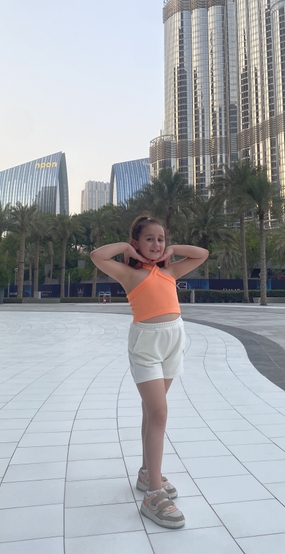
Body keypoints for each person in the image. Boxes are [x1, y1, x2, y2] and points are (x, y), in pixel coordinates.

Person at [91, 216, 208, 529]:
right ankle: (154, 494)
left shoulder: (169, 271)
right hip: (146, 346)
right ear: (137, 243)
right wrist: (127, 248)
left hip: (173, 342)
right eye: (149, 239)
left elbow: (201, 254)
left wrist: (172, 250)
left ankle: (147, 473)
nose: (156, 244)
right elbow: (98, 256)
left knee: (151, 411)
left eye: (160, 239)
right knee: (158, 413)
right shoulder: (129, 273)